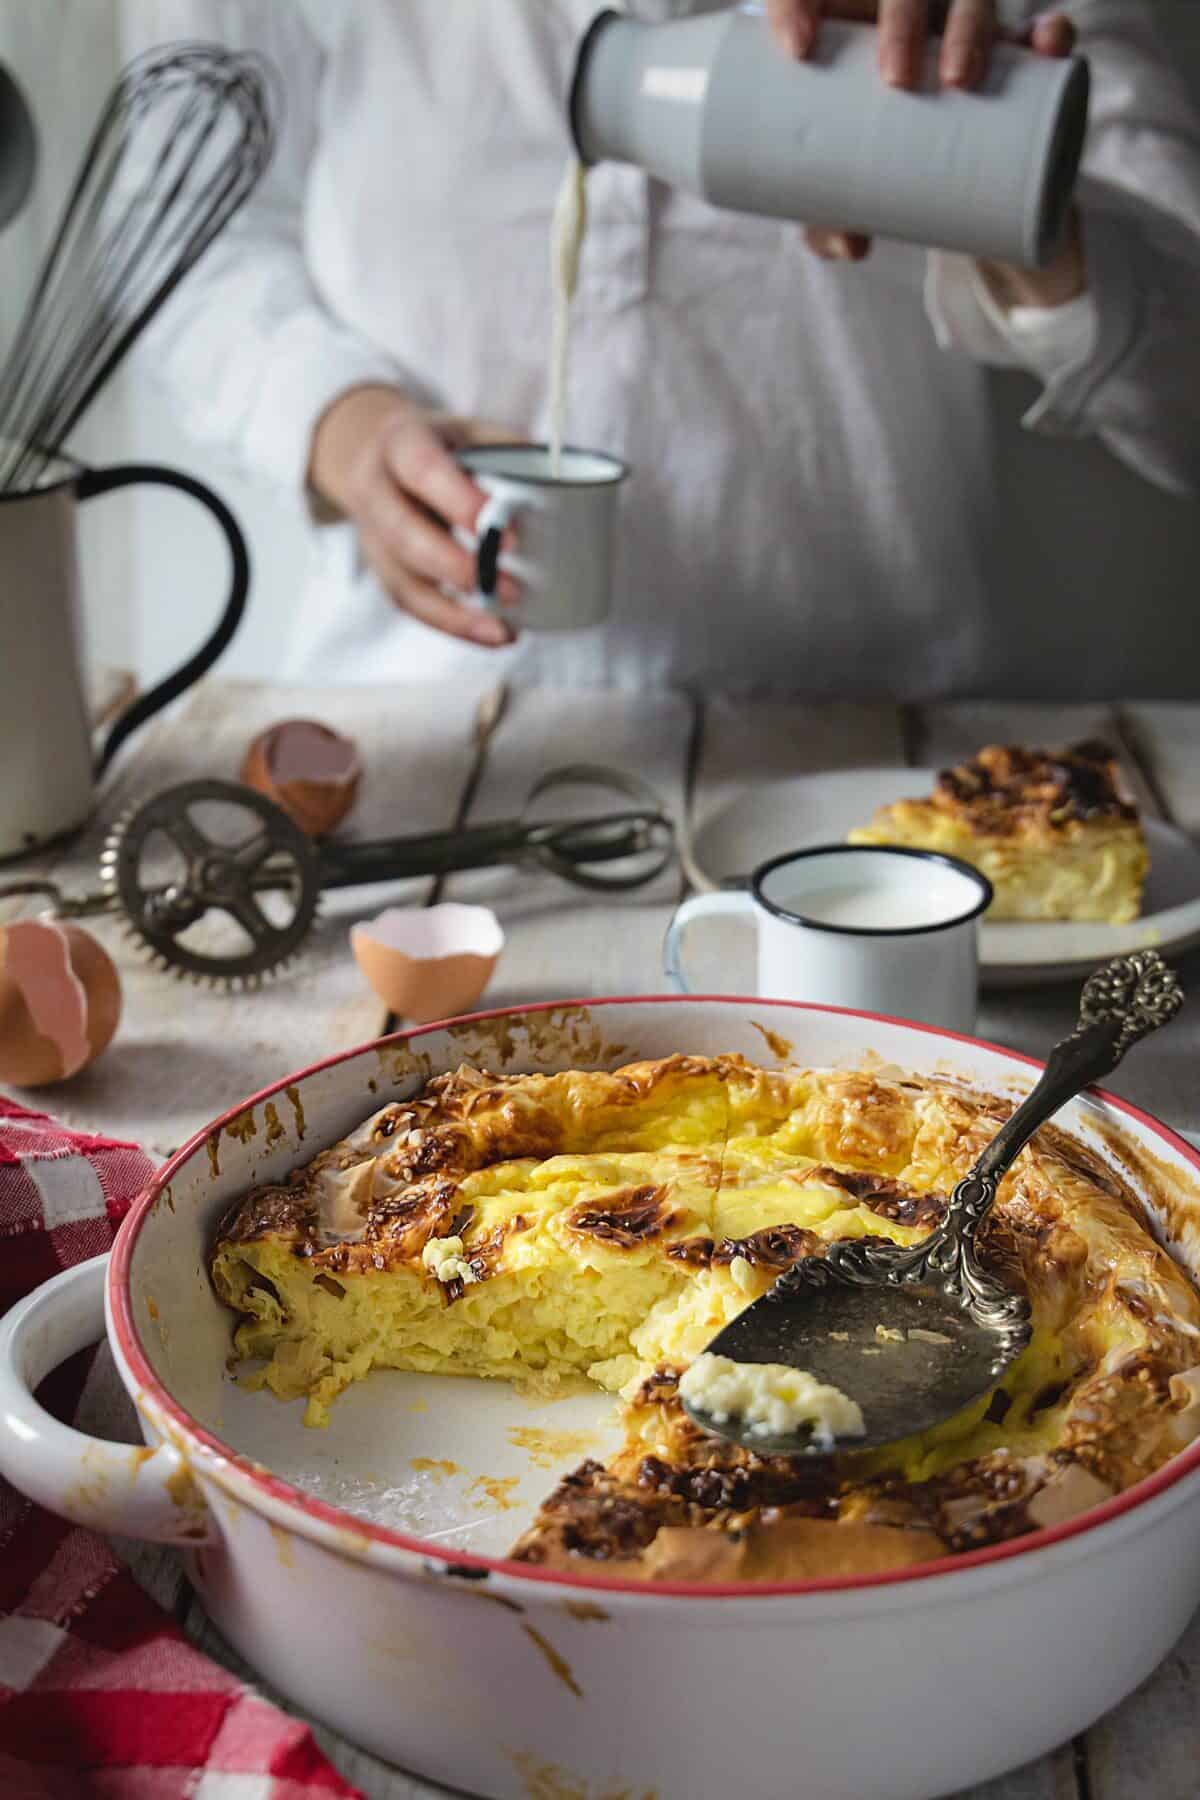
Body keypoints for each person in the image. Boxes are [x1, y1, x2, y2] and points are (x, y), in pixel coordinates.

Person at [137, 1, 1200, 693]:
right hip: (423, 727)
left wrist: (1021, 196)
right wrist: (334, 422)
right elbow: (179, 230)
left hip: (870, 745)